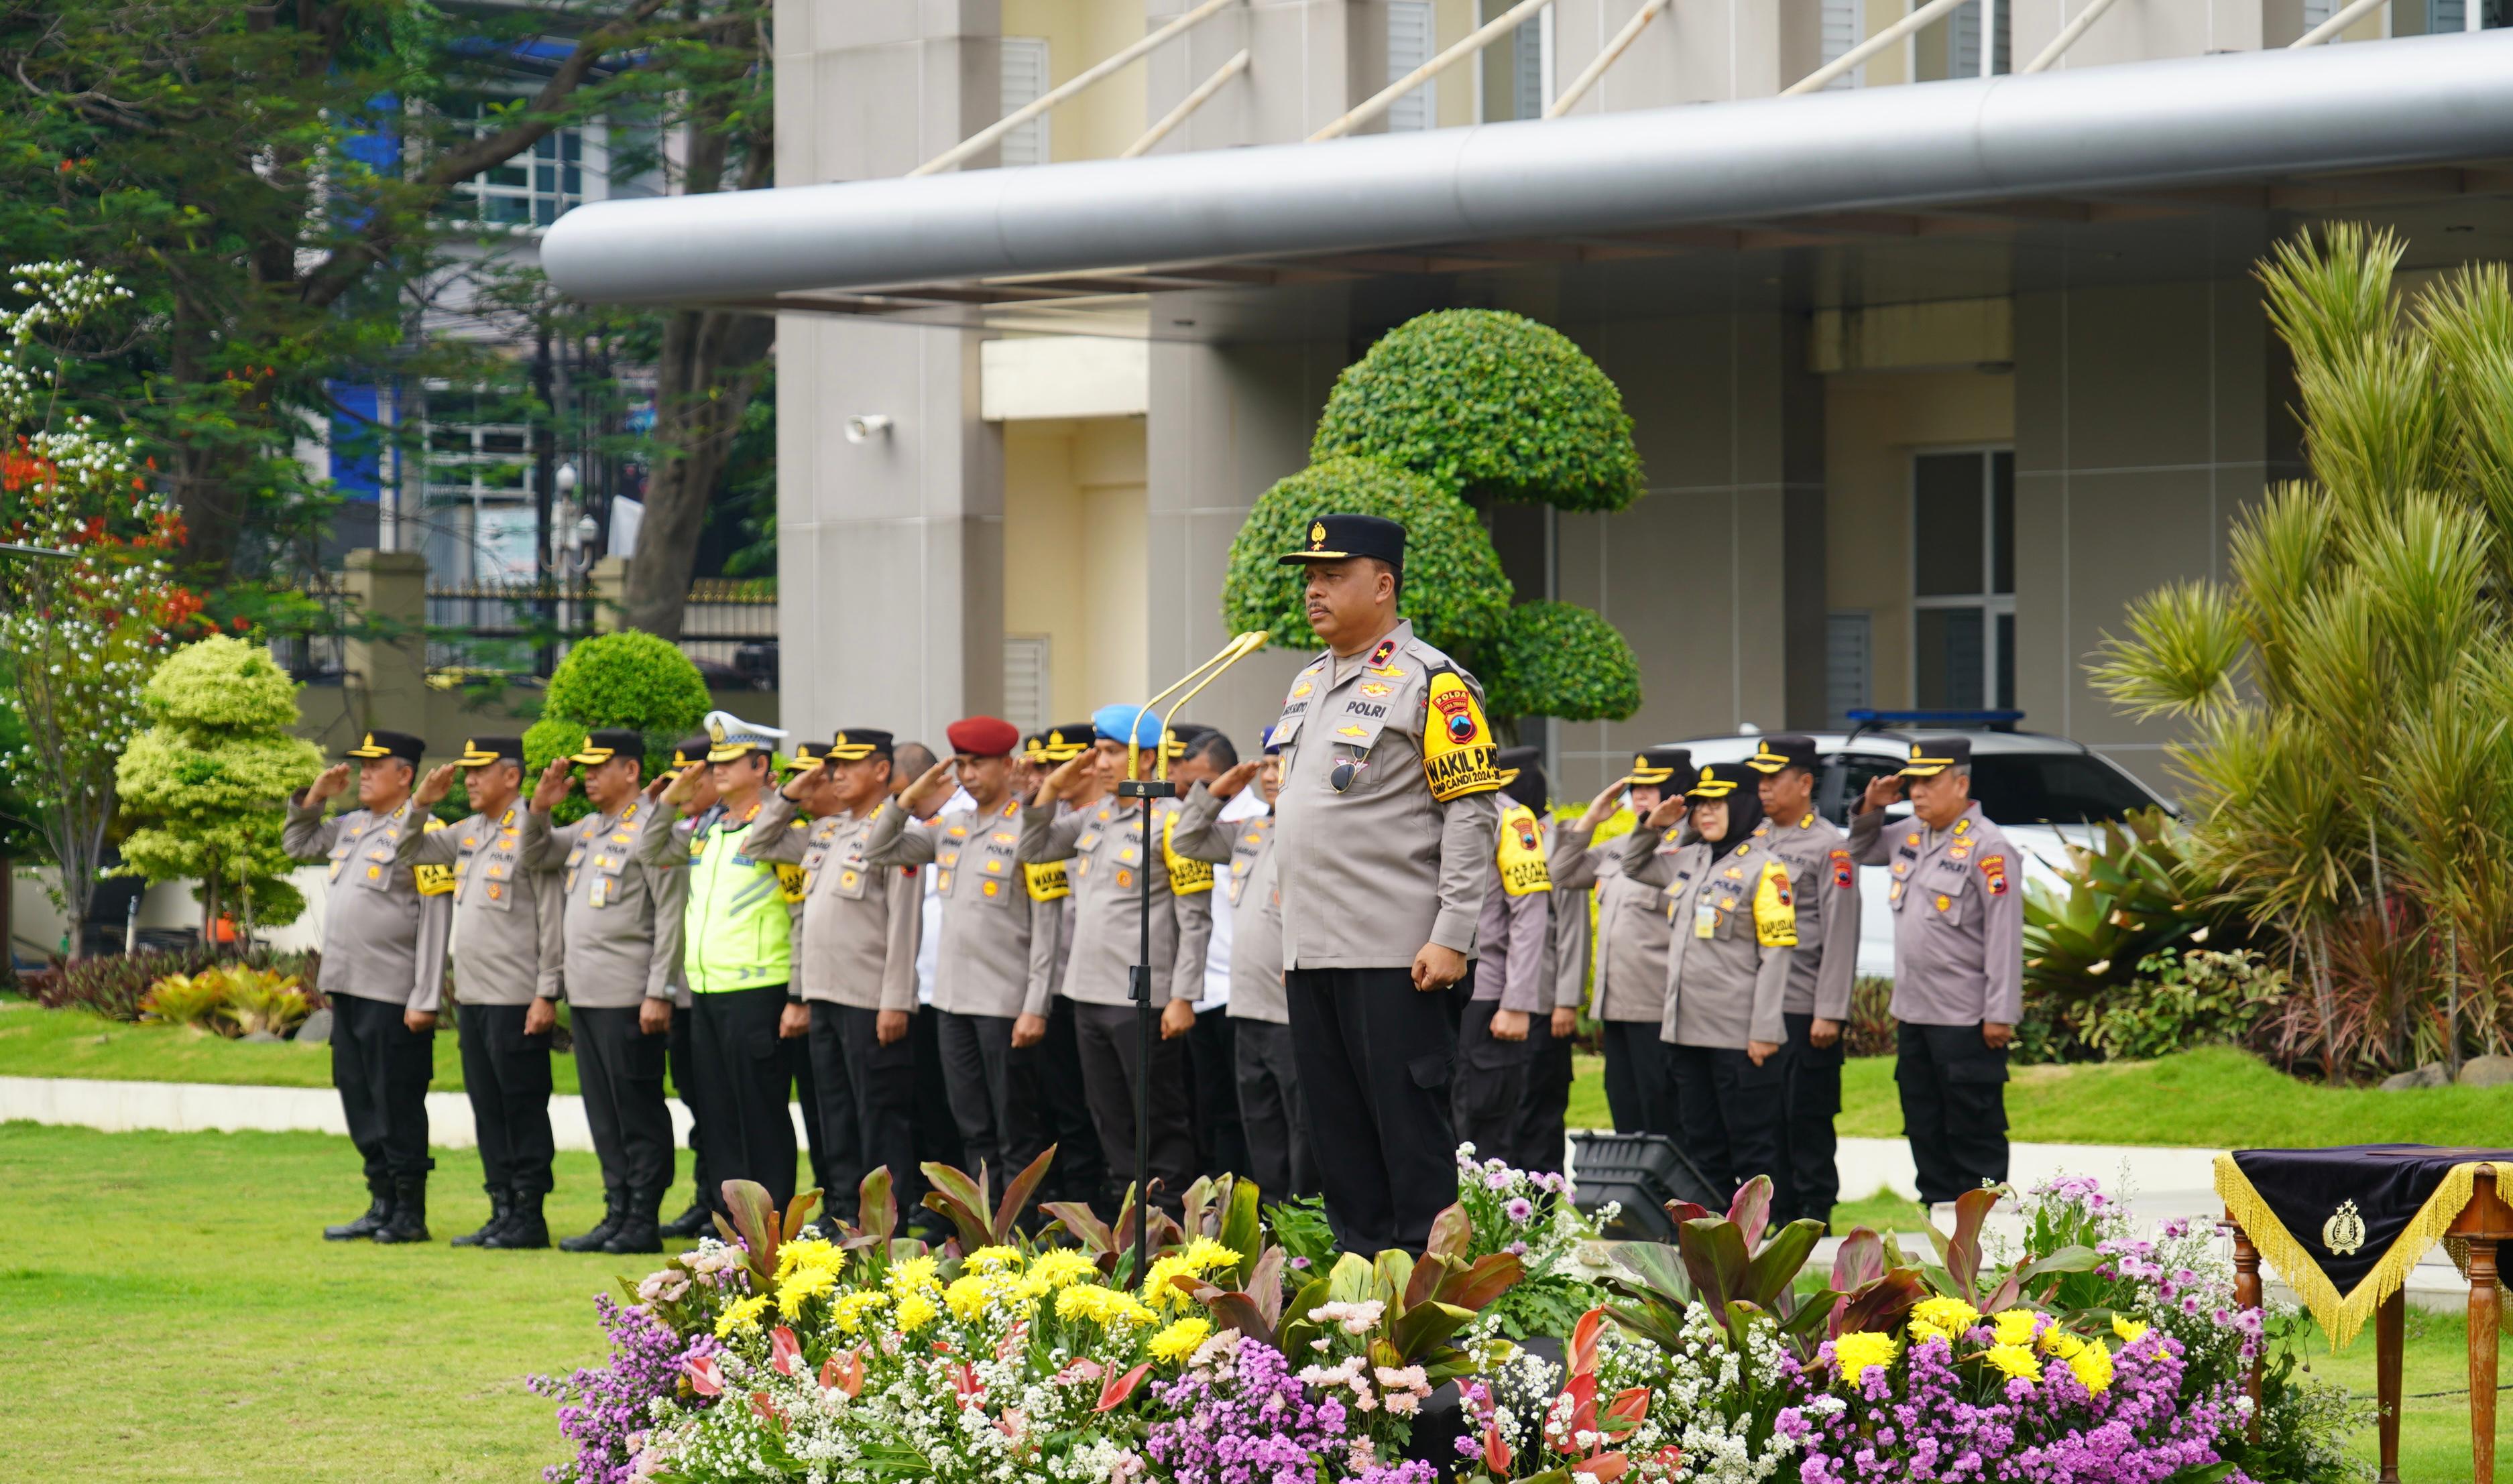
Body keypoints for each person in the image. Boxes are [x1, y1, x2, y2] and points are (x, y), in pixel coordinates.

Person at [1269, 513, 1501, 1254]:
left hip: (1396, 954)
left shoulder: (1434, 682)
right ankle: (1362, 1306)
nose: (1315, 590)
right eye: (1309, 578)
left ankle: (1433, 1315)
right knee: (1337, 1142)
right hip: (1312, 952)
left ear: (1383, 584)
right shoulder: (1308, 681)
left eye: (1333, 576)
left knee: (1410, 1141)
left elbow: (1470, 812)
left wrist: (1452, 934)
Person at [1017, 704, 1210, 1211]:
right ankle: (1127, 1219)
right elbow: (1033, 849)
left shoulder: (1173, 820)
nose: (1097, 763)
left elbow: (1194, 918)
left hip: (1144, 996)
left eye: (1108, 752)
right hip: (1087, 993)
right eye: (1097, 752)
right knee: (1107, 1115)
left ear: (1146, 760)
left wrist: (1184, 995)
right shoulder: (1095, 815)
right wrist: (1052, 790)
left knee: (1158, 1116)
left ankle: (1166, 1221)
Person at [864, 716, 1061, 1187]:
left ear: (1007, 765)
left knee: (1016, 1130)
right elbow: (878, 850)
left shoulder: (1032, 829)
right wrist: (908, 798)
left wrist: (1035, 1007)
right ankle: (983, 1235)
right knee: (972, 1128)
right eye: (964, 766)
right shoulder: (950, 827)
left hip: (1004, 1004)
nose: (970, 775)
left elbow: (1046, 930)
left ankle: (1020, 1236)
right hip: (952, 1004)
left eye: (980, 764)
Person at [284, 731, 453, 1244]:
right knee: (359, 1096)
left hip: (395, 994)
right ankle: (381, 1201)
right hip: (347, 988)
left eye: (376, 766)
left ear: (406, 775)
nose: (363, 774)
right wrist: (314, 798)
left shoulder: (429, 832)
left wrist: (426, 996)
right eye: (361, 766)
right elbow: (298, 844)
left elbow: (436, 919)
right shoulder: (352, 827)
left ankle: (409, 1210)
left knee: (397, 1099)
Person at [747, 731, 923, 1219]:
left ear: (882, 770)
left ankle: (888, 1220)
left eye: (848, 764)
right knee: (835, 1115)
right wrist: (788, 796)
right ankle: (844, 1213)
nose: (834, 774)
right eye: (830, 766)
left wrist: (896, 1000)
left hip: (870, 1000)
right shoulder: (827, 831)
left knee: (879, 1118)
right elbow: (757, 841)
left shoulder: (895, 836)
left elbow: (904, 924)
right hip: (824, 994)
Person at [520, 729, 685, 1254]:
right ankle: (617, 1209)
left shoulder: (652, 828)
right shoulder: (590, 828)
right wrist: (540, 810)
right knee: (603, 1112)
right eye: (585, 767)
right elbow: (536, 854)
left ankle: (643, 1216)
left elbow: (669, 913)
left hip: (629, 995)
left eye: (599, 766)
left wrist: (660, 989)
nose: (587, 775)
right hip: (587, 997)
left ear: (631, 771)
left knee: (636, 1108)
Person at [402, 737, 566, 1249]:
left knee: (521, 1107)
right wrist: (421, 804)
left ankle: (529, 1214)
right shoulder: (468, 832)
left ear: (511, 778)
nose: (469, 780)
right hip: (473, 999)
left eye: (480, 771)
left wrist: (546, 993)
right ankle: (501, 1207)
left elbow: (550, 917)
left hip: (516, 998)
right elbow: (407, 848)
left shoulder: (532, 834)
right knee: (488, 1108)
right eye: (467, 771)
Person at [1847, 736, 2024, 1209]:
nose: (1918, 791)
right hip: (1915, 1013)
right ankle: (1938, 1222)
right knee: (1923, 1122)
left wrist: (2000, 1014)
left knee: (1973, 1128)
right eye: (1913, 782)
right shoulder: (1908, 833)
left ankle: (1986, 1238)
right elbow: (1861, 849)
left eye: (1929, 781)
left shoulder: (1990, 847)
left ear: (1961, 783)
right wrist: (1870, 806)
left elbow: (2004, 937)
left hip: (1966, 1017)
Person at [641, 711, 807, 1214]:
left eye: (729, 761)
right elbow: (649, 850)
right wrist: (670, 799)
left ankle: (772, 1221)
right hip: (709, 990)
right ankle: (731, 1222)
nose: (715, 770)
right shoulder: (708, 829)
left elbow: (800, 914)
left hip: (759, 989)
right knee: (717, 1113)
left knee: (760, 1111)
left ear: (760, 765)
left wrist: (797, 993)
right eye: (712, 762)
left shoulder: (782, 830)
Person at [1630, 762, 1796, 1209]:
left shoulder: (1767, 869)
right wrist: (1653, 826)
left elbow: (1776, 956)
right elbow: (1633, 864)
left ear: (1742, 804)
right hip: (1686, 1032)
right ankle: (1715, 1239)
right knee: (1702, 1143)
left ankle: (1759, 1244)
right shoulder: (1692, 857)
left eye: (1717, 802)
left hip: (1737, 1035)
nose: (1705, 812)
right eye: (1701, 803)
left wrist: (1763, 1031)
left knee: (1752, 1145)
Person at [1169, 727, 1311, 1198]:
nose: (1271, 776)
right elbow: (1187, 840)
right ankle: (1271, 1230)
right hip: (1247, 1007)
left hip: (1293, 1012)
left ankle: (1305, 1232)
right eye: (1266, 766)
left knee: (1303, 1134)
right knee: (1262, 1131)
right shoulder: (1252, 830)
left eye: (1281, 764)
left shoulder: (1318, 832)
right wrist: (1215, 793)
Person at [1744, 733, 1863, 1231]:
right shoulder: (1753, 840)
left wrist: (1830, 1011)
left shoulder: (1829, 847)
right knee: (1764, 1118)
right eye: (1761, 779)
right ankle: (1777, 1212)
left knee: (1807, 1118)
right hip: (1758, 1004)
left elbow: (1841, 933)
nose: (1764, 788)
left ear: (1806, 782)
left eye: (1775, 778)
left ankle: (1814, 1215)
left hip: (1804, 1003)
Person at [1550, 748, 1690, 1137]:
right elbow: (1561, 873)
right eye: (1636, 787)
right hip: (1617, 1007)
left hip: (1658, 1007)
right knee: (1625, 1112)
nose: (1639, 795)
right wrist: (1591, 818)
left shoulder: (1688, 850)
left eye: (1651, 786)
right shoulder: (1621, 845)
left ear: (1677, 791)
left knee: (1663, 1115)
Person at [1009, 723, 1108, 1207]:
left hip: (1092, 983)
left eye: (1052, 765)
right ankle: (1069, 1203)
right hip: (1053, 983)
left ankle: (1093, 1203)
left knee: (1088, 1110)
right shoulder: (1054, 822)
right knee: (1054, 1106)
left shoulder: (1100, 818)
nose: (1043, 774)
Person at [1453, 745, 1549, 1166]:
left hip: (1486, 996)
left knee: (1484, 1126)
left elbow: (1530, 918)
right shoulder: (1431, 809)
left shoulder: (1513, 818)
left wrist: (1517, 1003)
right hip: (1428, 991)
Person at [1166, 727, 1250, 1183]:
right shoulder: (1186, 822)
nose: (1186, 788)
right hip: (1201, 986)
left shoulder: (1255, 820)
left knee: (1247, 1112)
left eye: (1200, 781)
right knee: (1209, 1107)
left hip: (1244, 988)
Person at [888, 739, 969, 1185]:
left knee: (956, 1107)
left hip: (957, 986)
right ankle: (932, 1196)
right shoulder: (914, 821)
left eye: (902, 789)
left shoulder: (963, 818)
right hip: (920, 983)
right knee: (924, 1101)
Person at [657, 733, 718, 1238]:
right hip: (684, 986)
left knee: (723, 1105)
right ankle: (706, 1197)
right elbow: (647, 846)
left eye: (693, 778)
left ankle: (727, 1202)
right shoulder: (687, 831)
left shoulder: (727, 831)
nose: (685, 787)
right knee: (698, 1102)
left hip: (720, 986)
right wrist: (668, 801)